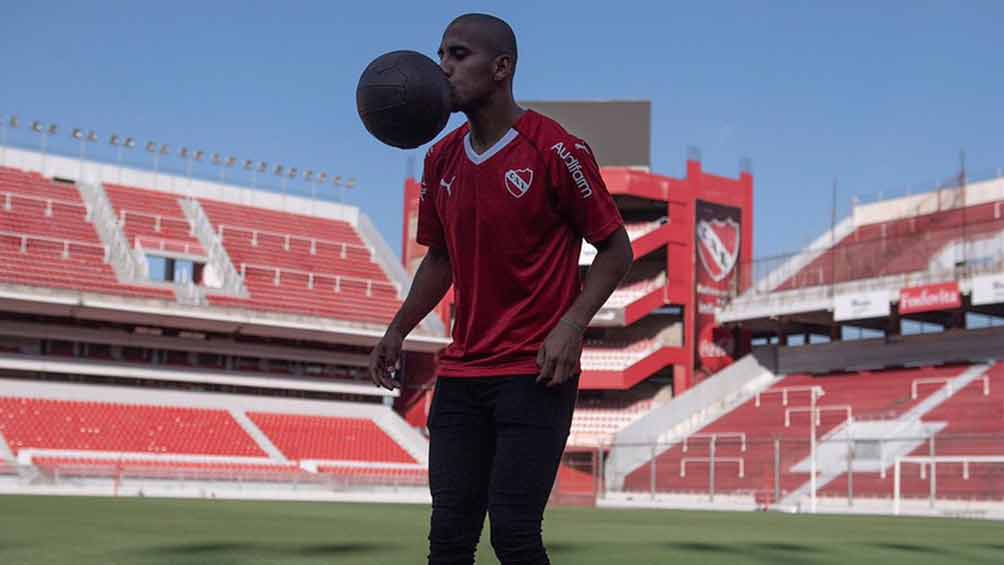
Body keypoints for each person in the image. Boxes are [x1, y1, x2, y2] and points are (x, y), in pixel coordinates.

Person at [369, 13, 633, 565]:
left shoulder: (556, 149)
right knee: (447, 540)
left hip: (533, 373)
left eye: (458, 55)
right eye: (440, 54)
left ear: (501, 68)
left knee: (513, 535)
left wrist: (571, 325)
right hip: (462, 374)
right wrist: (398, 329)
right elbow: (439, 259)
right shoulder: (439, 159)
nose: (442, 68)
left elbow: (616, 250)